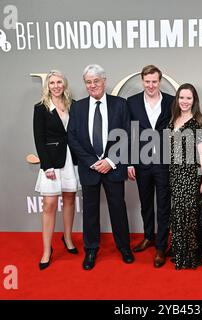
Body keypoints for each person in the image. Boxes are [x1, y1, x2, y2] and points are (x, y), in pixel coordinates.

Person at [67, 64, 134, 270]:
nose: (92, 85)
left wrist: (111, 161)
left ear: (104, 81)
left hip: (113, 167)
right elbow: (73, 137)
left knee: (118, 209)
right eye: (88, 82)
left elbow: (128, 136)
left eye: (96, 81)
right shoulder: (77, 107)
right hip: (89, 168)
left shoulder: (120, 105)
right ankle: (91, 249)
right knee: (90, 211)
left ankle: (124, 248)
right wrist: (91, 162)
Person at [127, 65, 174, 268]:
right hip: (141, 162)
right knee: (146, 202)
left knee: (163, 205)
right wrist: (129, 161)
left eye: (154, 81)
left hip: (164, 163)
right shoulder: (132, 102)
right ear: (142, 81)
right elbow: (128, 133)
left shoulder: (172, 101)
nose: (151, 85)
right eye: (147, 82)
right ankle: (148, 237)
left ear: (160, 81)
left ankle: (161, 247)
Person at [33, 70, 80, 270]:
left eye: (59, 82)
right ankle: (46, 250)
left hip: (72, 159)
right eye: (52, 82)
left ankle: (67, 238)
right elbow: (39, 138)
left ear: (64, 84)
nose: (56, 85)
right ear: (47, 85)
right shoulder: (41, 107)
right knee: (49, 204)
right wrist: (46, 165)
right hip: (52, 161)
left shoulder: (74, 105)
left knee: (70, 199)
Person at [168, 83, 202, 270]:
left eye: (189, 98)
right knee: (179, 214)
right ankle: (180, 252)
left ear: (194, 100)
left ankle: (191, 257)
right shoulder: (173, 120)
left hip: (190, 175)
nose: (185, 101)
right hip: (175, 175)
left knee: (189, 215)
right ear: (177, 99)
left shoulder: (198, 122)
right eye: (181, 97)